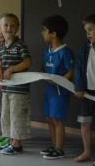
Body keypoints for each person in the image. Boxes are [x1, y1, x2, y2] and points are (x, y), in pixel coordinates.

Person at [0, 13, 32, 155]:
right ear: (0, 28)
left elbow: (27, 62)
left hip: (19, 89)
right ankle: (10, 141)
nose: (9, 28)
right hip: (6, 88)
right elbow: (0, 62)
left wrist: (11, 69)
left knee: (17, 115)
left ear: (17, 28)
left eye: (12, 25)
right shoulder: (1, 46)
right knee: (6, 115)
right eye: (6, 25)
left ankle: (17, 145)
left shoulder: (21, 45)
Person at [38, 15, 74, 159]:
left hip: (60, 92)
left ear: (54, 33)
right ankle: (54, 145)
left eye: (44, 30)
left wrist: (60, 81)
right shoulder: (47, 51)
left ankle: (59, 149)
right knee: (48, 117)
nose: (42, 33)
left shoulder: (65, 52)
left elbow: (70, 71)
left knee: (57, 119)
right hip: (49, 91)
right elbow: (43, 68)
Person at [74, 14, 95, 164]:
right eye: (86, 31)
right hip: (88, 92)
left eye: (91, 30)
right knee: (85, 122)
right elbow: (79, 69)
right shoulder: (84, 49)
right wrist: (79, 87)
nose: (88, 34)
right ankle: (87, 152)